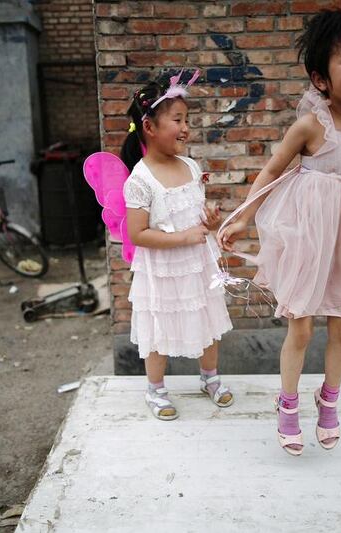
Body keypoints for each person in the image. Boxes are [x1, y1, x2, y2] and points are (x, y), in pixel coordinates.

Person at [217, 8, 341, 455]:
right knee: (303, 327)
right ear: (321, 78)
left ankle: (329, 399)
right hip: (310, 232)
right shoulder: (314, 124)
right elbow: (273, 169)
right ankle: (287, 403)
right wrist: (243, 216)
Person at [121, 73, 234, 420]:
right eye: (178, 120)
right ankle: (155, 390)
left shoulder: (190, 166)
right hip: (163, 269)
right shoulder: (140, 179)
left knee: (207, 316)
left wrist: (208, 222)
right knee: (160, 327)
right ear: (150, 127)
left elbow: (194, 215)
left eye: (187, 120)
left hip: (196, 263)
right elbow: (138, 234)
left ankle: (210, 378)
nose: (186, 128)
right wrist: (181, 238)